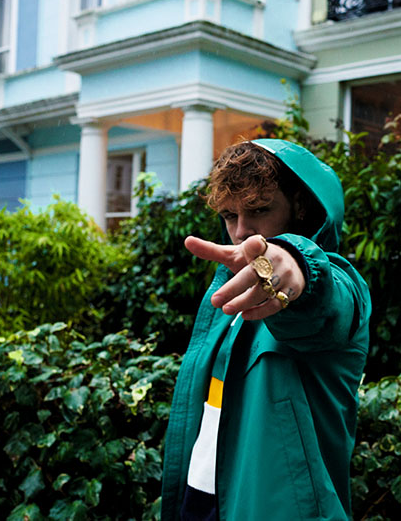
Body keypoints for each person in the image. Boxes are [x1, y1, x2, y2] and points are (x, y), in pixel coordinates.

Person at [161, 139, 372, 521]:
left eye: (259, 209)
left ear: (300, 206)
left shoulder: (340, 285)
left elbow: (322, 302)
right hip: (202, 499)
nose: (241, 231)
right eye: (230, 215)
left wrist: (297, 268)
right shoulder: (230, 294)